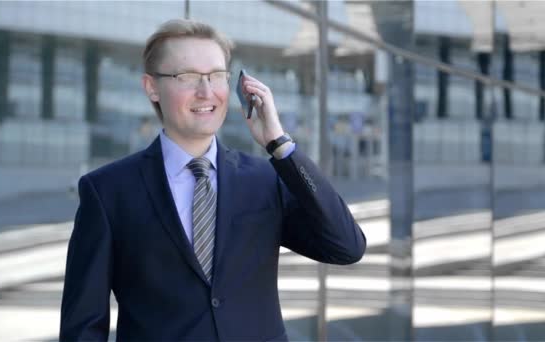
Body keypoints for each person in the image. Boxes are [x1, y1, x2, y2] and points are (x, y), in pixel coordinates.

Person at [60, 19, 366, 341]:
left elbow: (347, 246)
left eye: (216, 75)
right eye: (188, 76)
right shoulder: (108, 191)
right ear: (152, 87)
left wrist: (280, 145)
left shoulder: (264, 179)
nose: (206, 92)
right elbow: (82, 327)